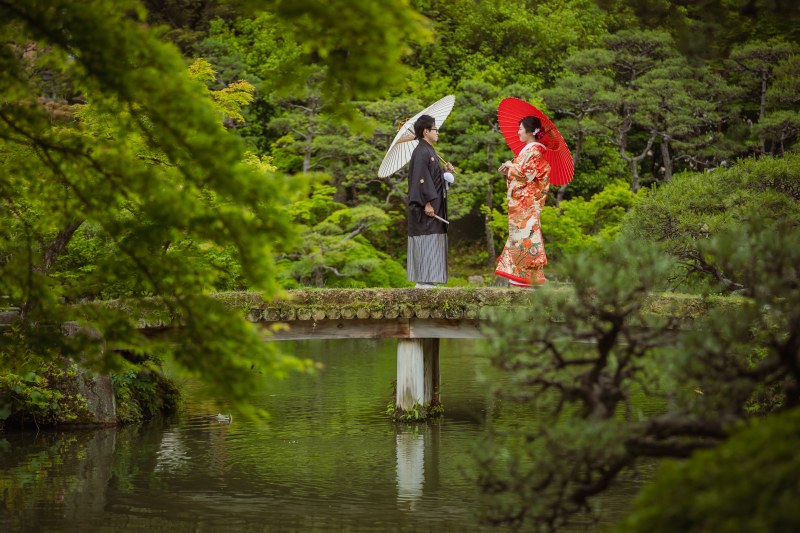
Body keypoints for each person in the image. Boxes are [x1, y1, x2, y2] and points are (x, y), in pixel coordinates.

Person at [495, 116, 551, 288]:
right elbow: (523, 173)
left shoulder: (534, 152)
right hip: (524, 203)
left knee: (525, 240)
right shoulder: (529, 151)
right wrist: (509, 170)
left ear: (530, 131)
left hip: (527, 204)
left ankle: (525, 280)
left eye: (520, 128)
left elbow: (528, 174)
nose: (518, 131)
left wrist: (510, 167)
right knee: (521, 240)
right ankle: (522, 278)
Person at [407, 114, 455, 288]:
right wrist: (427, 202)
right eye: (435, 129)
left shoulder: (429, 150)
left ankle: (428, 280)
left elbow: (431, 177)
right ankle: (423, 281)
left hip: (433, 206)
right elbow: (420, 179)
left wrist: (443, 171)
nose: (438, 132)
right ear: (426, 131)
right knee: (426, 239)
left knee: (433, 240)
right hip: (425, 208)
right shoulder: (421, 151)